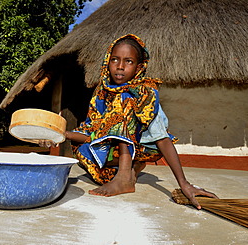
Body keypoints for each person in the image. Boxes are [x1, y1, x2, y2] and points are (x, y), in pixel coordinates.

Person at [40, 34, 217, 209]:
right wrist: (61, 135)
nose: (120, 67)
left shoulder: (143, 93)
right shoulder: (102, 94)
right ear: (107, 62)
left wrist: (184, 183)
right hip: (116, 147)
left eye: (129, 62)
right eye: (115, 60)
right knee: (82, 150)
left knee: (124, 97)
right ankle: (132, 169)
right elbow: (92, 133)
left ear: (139, 67)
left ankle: (124, 175)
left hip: (145, 147)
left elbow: (162, 138)